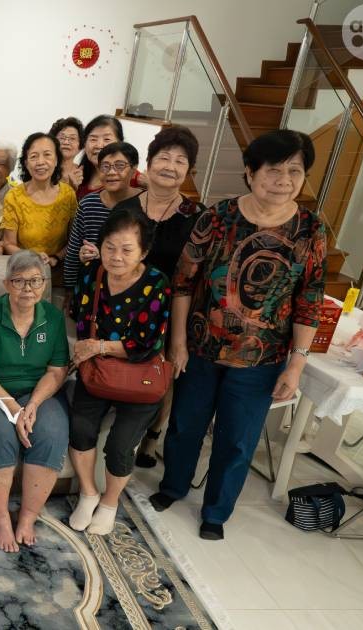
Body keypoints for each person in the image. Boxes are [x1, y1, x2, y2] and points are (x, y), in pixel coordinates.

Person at [150, 130, 327, 541]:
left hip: (261, 359)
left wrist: (297, 365)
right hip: (201, 347)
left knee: (238, 439)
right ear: (251, 173)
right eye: (274, 169)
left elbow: (310, 301)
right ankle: (173, 487)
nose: (283, 179)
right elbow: (182, 283)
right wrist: (177, 342)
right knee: (185, 425)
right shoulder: (217, 217)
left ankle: (216, 511)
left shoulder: (310, 230)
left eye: (294, 171)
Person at [65, 210, 171, 535]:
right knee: (80, 429)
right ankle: (88, 492)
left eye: (127, 249)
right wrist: (90, 350)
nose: (116, 256)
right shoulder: (91, 273)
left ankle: (110, 503)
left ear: (144, 251)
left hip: (140, 376)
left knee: (121, 445)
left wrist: (99, 347)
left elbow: (145, 343)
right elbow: (81, 318)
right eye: (110, 247)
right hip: (97, 373)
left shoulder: (156, 284)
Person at [0, 249, 70, 552]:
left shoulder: (53, 318)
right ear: (6, 283)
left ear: (44, 284)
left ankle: (27, 517)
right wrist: (13, 408)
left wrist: (32, 405)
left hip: (38, 391)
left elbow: (57, 370)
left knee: (51, 432)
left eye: (35, 281)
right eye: (19, 281)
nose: (28, 289)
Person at [117, 126, 206, 468]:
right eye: (164, 158)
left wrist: (180, 338)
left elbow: (194, 276)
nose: (170, 166)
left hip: (172, 312)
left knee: (162, 374)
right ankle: (121, 432)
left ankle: (153, 435)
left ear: (189, 170)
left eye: (180, 161)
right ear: (150, 163)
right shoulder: (126, 208)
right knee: (120, 368)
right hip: (124, 305)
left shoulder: (197, 218)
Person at [0, 132, 78, 274]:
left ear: (56, 160)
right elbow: (9, 244)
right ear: (26, 163)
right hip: (24, 271)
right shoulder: (14, 196)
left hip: (59, 271)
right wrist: (33, 258)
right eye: (34, 156)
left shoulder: (68, 194)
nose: (40, 162)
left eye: (47, 155)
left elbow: (74, 239)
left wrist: (55, 257)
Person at [63, 141, 141, 287]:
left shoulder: (144, 203)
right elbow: (73, 253)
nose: (111, 172)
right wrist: (70, 290)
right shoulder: (88, 203)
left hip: (133, 289)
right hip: (92, 287)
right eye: (105, 166)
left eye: (119, 166)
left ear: (134, 169)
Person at [77, 115, 143, 199]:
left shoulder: (133, 177)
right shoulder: (78, 175)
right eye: (93, 139)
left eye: (107, 139)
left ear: (120, 143)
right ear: (85, 144)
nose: (99, 145)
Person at [49, 116, 85, 191]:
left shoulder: (84, 174)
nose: (66, 142)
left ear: (80, 145)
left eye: (72, 138)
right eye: (62, 138)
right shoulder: (45, 171)